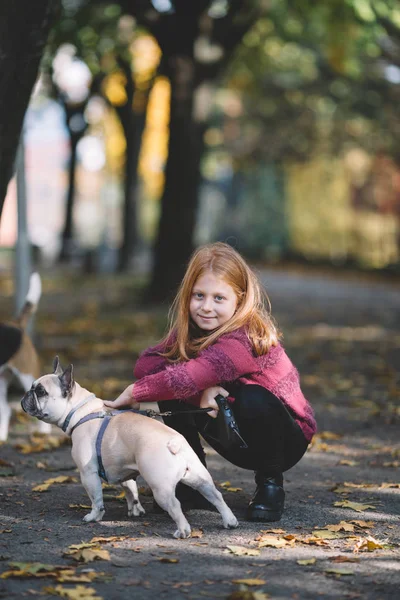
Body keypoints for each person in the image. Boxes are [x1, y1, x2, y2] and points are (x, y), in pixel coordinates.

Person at [104, 242, 316, 522]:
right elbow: (146, 363)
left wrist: (137, 392)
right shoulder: (191, 332)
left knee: (251, 396)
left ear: (239, 301)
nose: (206, 307)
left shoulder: (244, 338)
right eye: (199, 296)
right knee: (173, 382)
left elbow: (192, 375)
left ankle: (270, 484)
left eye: (219, 298)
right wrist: (201, 390)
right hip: (235, 431)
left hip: (284, 439)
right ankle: (192, 482)